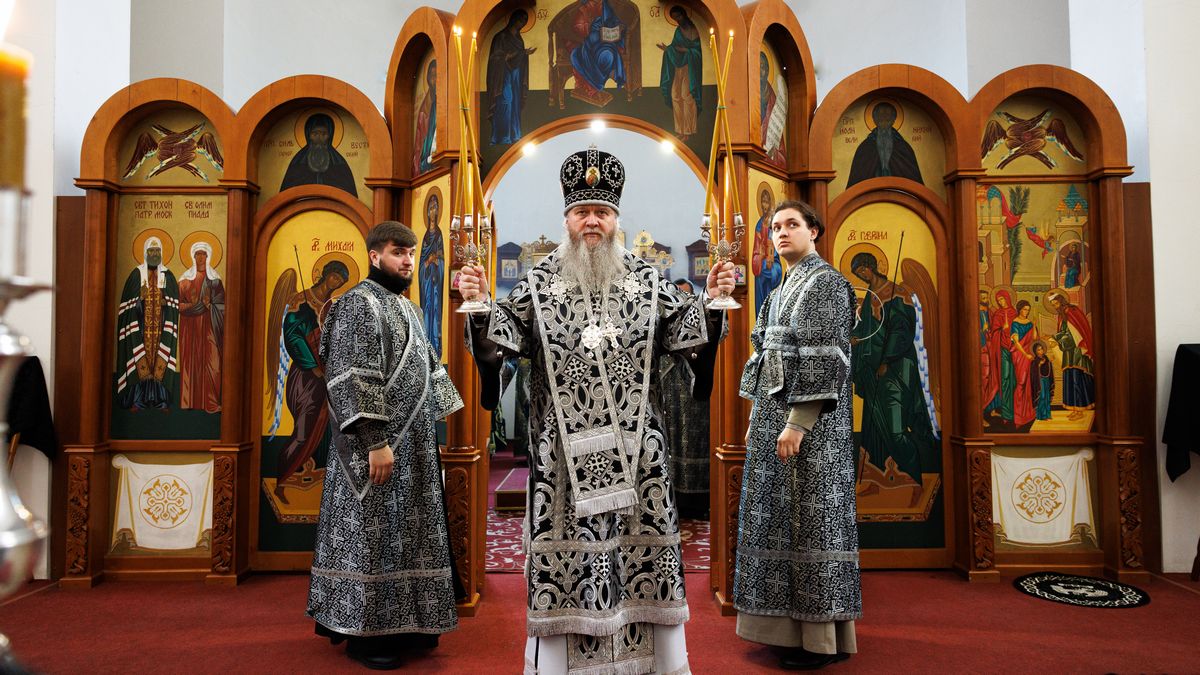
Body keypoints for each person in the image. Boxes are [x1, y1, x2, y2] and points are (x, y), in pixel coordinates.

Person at [459, 146, 735, 674]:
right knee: (571, 566)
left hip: (639, 460)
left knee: (639, 564)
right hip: (562, 461)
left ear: (616, 219)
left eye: (602, 212)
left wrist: (712, 300)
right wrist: (479, 307)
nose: (592, 221)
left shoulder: (648, 282)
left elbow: (688, 336)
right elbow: (501, 342)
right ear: (566, 219)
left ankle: (651, 665)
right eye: (582, 211)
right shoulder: (538, 284)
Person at [308, 221, 464, 670]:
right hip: (374, 448)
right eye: (399, 252)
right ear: (375, 256)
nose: (408, 260)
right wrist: (375, 441)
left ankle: (411, 627)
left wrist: (437, 421)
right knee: (373, 538)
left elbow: (429, 365)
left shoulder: (407, 307)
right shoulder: (358, 304)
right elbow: (352, 375)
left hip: (412, 446)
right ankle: (367, 636)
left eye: (411, 252)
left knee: (409, 536)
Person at [735, 199, 861, 671]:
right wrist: (758, 416)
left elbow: (826, 357)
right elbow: (763, 354)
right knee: (780, 524)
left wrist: (797, 422)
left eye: (792, 224)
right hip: (777, 422)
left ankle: (819, 640)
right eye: (775, 227)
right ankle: (788, 632)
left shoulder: (825, 282)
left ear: (814, 231)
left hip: (812, 431)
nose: (782, 232)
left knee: (812, 525)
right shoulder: (780, 288)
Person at [849, 251, 934, 489]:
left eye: (862, 269)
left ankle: (913, 479)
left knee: (896, 431)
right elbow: (867, 329)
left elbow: (901, 331)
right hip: (873, 371)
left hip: (895, 370)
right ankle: (879, 478)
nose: (862, 275)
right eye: (857, 273)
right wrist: (856, 338)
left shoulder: (898, 293)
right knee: (874, 428)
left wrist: (886, 360)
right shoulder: (870, 296)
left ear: (871, 266)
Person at [273, 260, 348, 503]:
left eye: (341, 281)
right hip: (305, 376)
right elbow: (292, 336)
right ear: (325, 274)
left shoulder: (333, 307)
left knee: (327, 429)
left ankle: (319, 479)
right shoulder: (300, 301)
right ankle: (283, 480)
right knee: (303, 430)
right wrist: (312, 366)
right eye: (335, 276)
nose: (336, 283)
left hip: (327, 376)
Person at [659, 278, 710, 518]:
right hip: (666, 394)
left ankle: (696, 503)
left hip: (692, 399)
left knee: (692, 444)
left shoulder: (698, 319)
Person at [115, 236, 180, 411]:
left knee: (160, 359)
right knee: (140, 357)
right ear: (145, 253)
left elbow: (174, 305)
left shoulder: (168, 276)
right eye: (151, 251)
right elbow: (126, 308)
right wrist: (139, 300)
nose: (154, 254)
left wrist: (166, 302)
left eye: (157, 251)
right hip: (141, 328)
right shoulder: (136, 275)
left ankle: (162, 399)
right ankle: (137, 399)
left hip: (161, 329)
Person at [177, 241, 225, 413]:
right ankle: (189, 401)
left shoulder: (215, 281)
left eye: (203, 254)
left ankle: (211, 403)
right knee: (190, 362)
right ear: (193, 256)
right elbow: (177, 305)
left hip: (210, 326)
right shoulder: (184, 281)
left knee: (213, 363)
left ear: (208, 256)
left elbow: (223, 305)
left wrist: (210, 305)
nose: (200, 258)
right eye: (197, 254)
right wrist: (194, 306)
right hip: (189, 328)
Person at [846, 101, 922, 188]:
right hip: (872, 189)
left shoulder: (903, 146)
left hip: (899, 189)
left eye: (888, 114)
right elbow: (857, 178)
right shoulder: (865, 147)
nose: (884, 117)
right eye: (880, 114)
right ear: (874, 119)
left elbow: (911, 175)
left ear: (894, 119)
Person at [280, 113, 358, 197]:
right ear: (308, 135)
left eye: (324, 134)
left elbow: (350, 195)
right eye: (315, 134)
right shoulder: (298, 162)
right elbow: (286, 194)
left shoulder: (339, 162)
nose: (319, 139)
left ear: (330, 136)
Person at [486, 10, 535, 145]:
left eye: (525, 21)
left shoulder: (519, 39)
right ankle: (501, 137)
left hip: (516, 75)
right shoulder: (500, 37)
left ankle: (514, 135)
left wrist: (524, 53)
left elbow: (518, 57)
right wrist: (510, 55)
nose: (522, 23)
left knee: (515, 103)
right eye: (521, 20)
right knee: (506, 101)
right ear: (513, 19)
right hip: (502, 76)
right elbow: (495, 58)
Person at [1047, 290, 1094, 421]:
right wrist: (1054, 338)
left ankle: (1080, 410)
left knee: (1077, 380)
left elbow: (1074, 335)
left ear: (1061, 301)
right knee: (1070, 381)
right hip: (1069, 353)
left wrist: (1057, 340)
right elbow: (1064, 332)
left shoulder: (1072, 311)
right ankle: (1075, 409)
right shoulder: (1062, 315)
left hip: (1077, 352)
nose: (1055, 306)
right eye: (1053, 305)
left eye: (1056, 303)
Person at [657, 6, 701, 139]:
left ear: (685, 14)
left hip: (690, 67)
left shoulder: (695, 30)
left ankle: (688, 130)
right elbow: (675, 47)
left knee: (686, 96)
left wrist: (687, 51)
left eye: (679, 16)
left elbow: (698, 52)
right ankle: (680, 130)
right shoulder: (678, 31)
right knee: (675, 96)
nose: (678, 20)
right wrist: (667, 49)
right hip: (678, 67)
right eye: (675, 18)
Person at [570, 0, 627, 104]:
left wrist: (619, 28)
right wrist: (587, 25)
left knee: (608, 55)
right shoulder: (584, 8)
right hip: (589, 44)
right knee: (576, 55)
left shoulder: (606, 7)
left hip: (605, 44)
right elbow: (577, 27)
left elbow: (615, 21)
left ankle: (596, 87)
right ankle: (593, 88)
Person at [418, 191, 444, 357]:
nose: (433, 211)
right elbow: (421, 265)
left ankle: (435, 348)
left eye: (435, 207)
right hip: (427, 284)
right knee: (427, 312)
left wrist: (437, 261)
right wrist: (428, 262)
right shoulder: (425, 237)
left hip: (436, 286)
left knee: (435, 313)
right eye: (431, 208)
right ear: (427, 212)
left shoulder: (439, 234)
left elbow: (443, 260)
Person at [751, 186, 782, 316]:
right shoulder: (759, 224)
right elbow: (756, 249)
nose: (764, 205)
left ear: (770, 203)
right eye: (762, 202)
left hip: (773, 263)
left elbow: (773, 248)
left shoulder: (773, 222)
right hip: (761, 265)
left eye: (767, 202)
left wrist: (769, 256)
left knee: (770, 271)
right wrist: (759, 257)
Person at [413, 59, 437, 175]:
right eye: (432, 76)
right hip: (427, 161)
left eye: (437, 76)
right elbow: (419, 142)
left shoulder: (444, 104)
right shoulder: (425, 108)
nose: (434, 80)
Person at [1031, 341, 1054, 421]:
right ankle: (1041, 416)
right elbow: (1033, 372)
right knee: (1042, 396)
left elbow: (1048, 367)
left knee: (1047, 397)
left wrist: (1049, 361)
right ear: (1035, 352)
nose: (1041, 351)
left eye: (1041, 349)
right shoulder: (1035, 361)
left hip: (1046, 379)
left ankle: (1047, 415)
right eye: (1039, 350)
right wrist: (1038, 365)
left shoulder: (1046, 358)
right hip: (1039, 380)